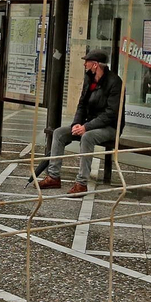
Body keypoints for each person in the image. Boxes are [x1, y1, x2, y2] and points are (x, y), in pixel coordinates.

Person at [34, 50, 122, 195]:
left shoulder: (114, 82)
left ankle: (81, 183)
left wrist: (86, 127)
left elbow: (111, 114)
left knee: (87, 137)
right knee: (59, 133)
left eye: (87, 62)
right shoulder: (89, 79)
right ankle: (53, 177)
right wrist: (76, 123)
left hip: (110, 127)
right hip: (88, 124)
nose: (84, 64)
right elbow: (82, 104)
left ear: (95, 65)